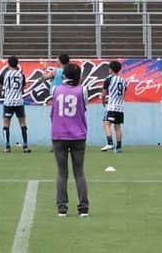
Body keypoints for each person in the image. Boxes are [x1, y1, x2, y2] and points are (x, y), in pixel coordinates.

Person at [51, 62, 90, 217]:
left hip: (59, 134)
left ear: (64, 76)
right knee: (79, 173)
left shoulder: (55, 90)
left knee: (62, 173)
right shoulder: (83, 90)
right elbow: (83, 106)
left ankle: (62, 208)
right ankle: (83, 208)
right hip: (78, 135)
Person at [0, 56, 31, 153]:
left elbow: (0, 88)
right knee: (22, 123)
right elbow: (22, 90)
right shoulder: (21, 75)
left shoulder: (4, 74)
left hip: (8, 102)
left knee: (6, 124)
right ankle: (25, 146)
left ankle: (7, 147)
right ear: (17, 64)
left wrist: (1, 92)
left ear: (8, 64)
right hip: (19, 102)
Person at [101, 60, 127, 154]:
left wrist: (103, 102)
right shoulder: (123, 80)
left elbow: (103, 94)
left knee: (106, 123)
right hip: (120, 106)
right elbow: (122, 94)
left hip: (112, 106)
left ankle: (110, 143)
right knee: (118, 126)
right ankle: (119, 147)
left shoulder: (109, 79)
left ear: (111, 69)